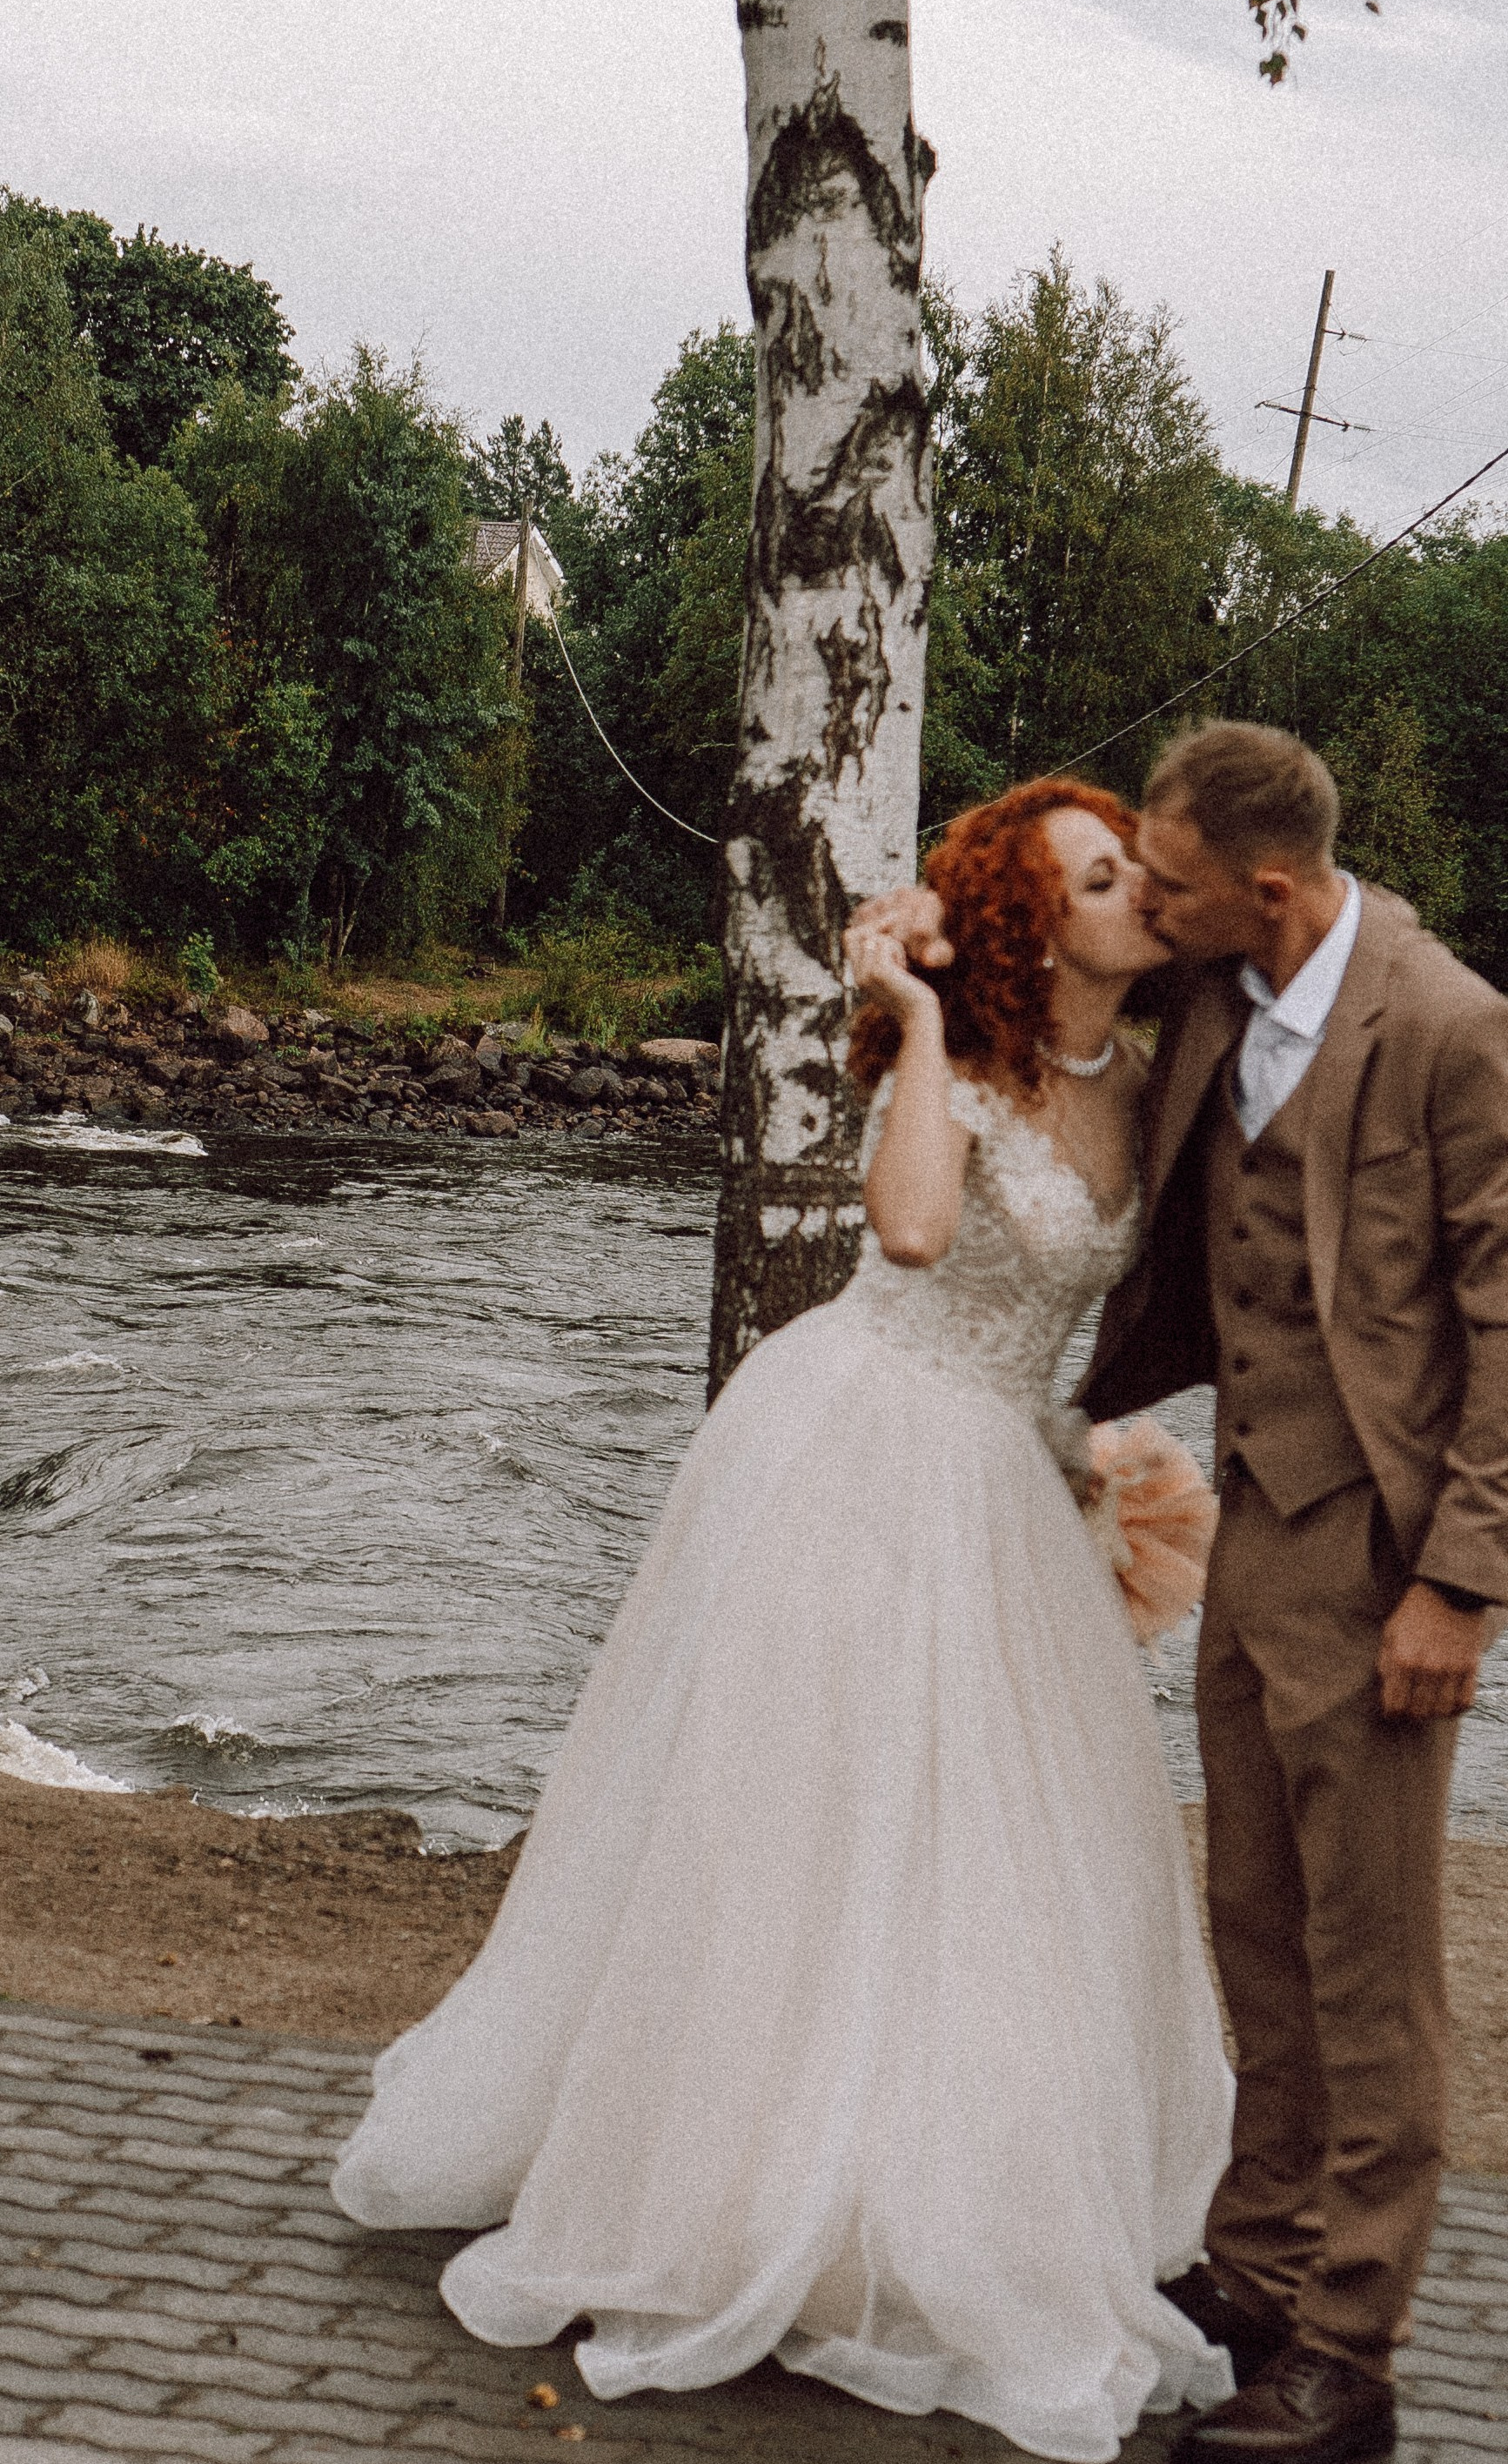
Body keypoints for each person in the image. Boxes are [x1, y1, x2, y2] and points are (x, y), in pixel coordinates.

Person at [332, 779, 1236, 2464]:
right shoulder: (953, 1063)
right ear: (1033, 926)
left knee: (999, 1849)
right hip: (862, 1443)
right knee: (814, 1824)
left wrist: (1085, 1447)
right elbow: (910, 1231)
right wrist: (913, 1010)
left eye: (1132, 873)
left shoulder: (1150, 1075)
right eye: (1104, 878)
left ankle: (947, 2178)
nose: (1139, 896)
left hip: (1005, 1471)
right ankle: (753, 2186)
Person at [851, 720, 1508, 2464]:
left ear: (1263, 889)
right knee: (1256, 1935)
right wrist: (904, 931)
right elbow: (1018, 945)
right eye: (1130, 874)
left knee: (1371, 1974)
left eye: (1169, 879)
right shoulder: (1215, 991)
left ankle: (1349, 2355)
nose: (1145, 898)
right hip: (1249, 1532)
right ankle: (1257, 2271)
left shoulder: (1448, 1026)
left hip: (1382, 1564)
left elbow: (1506, 1320)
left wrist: (1460, 1584)